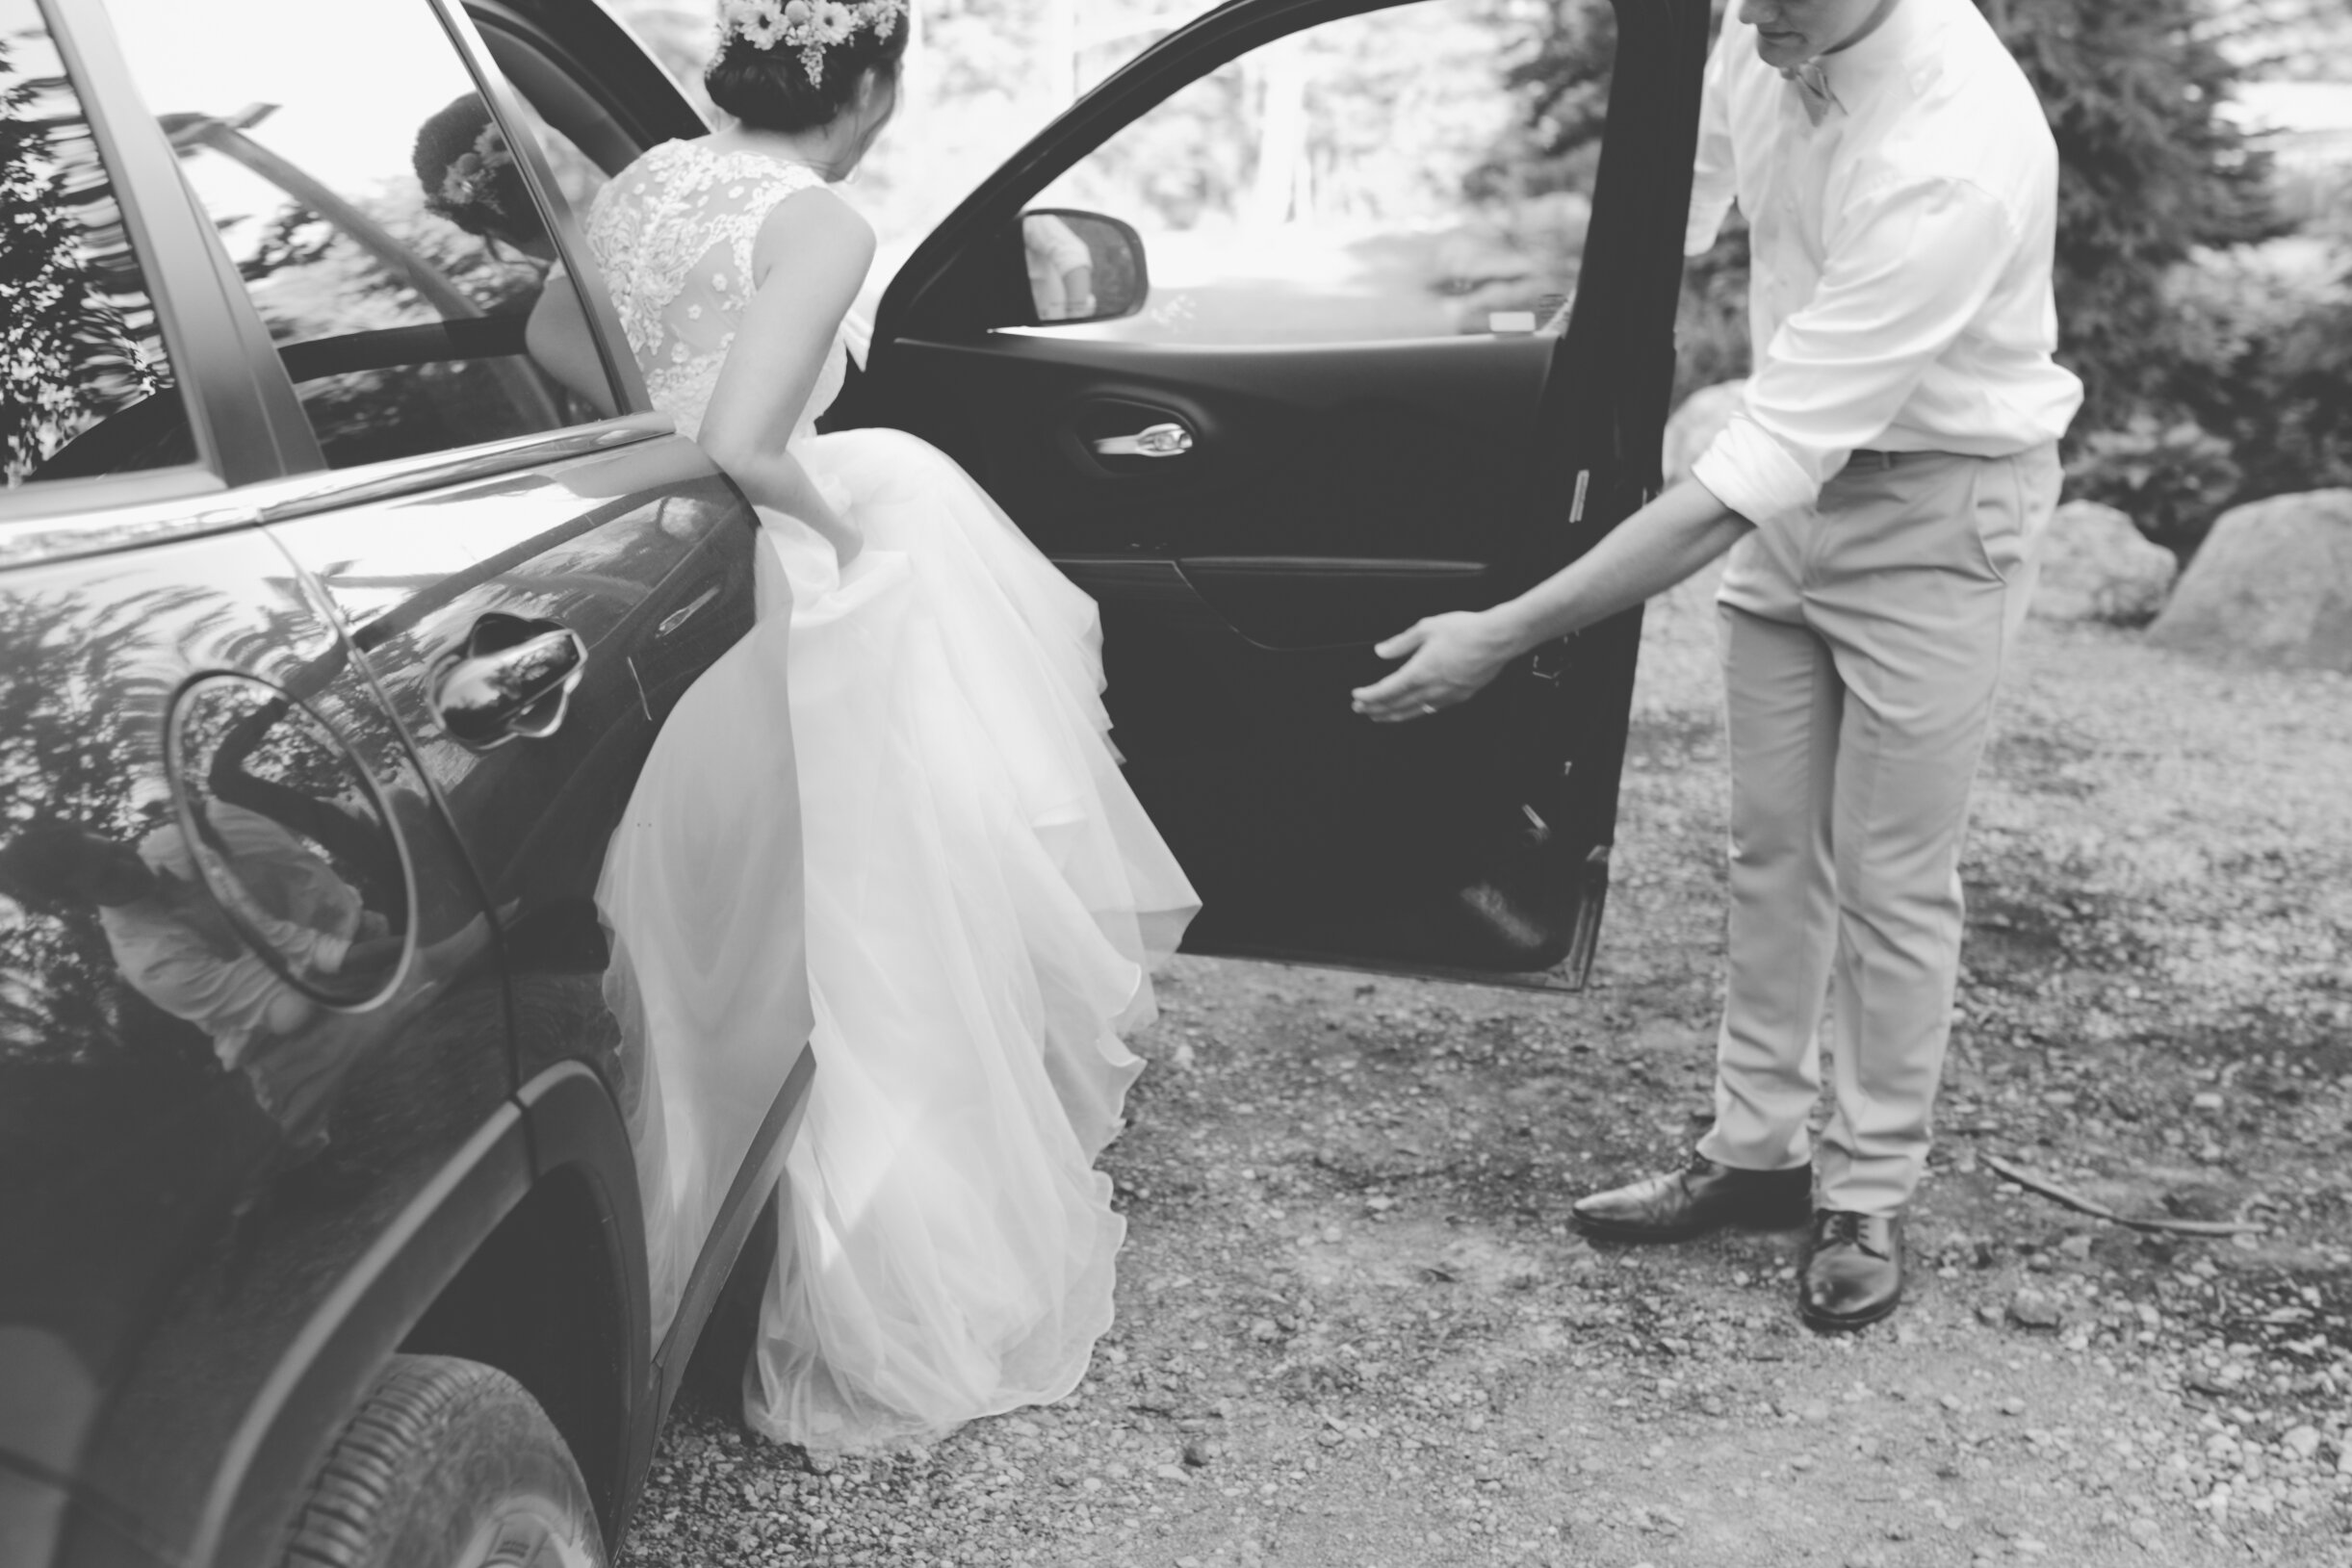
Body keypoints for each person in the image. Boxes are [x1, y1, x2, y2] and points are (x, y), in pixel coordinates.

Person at [1352, 0, 2081, 1331]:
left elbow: (1747, 471)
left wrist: (1507, 633)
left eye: (1778, 2)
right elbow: (1681, 178)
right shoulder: (1769, 30)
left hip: (1939, 510)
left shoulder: (1955, 153)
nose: (1748, 18)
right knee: (1767, 850)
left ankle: (1866, 1186)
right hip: (1799, 490)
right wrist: (1601, 328)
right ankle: (1756, 1148)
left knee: (1893, 877)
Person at [558, 0, 1198, 1452]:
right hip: (762, 584)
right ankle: (850, 1273)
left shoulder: (644, 181)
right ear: (865, 84)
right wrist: (844, 530)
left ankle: (675, 1243)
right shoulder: (819, 222)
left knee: (703, 926)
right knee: (860, 926)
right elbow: (744, 445)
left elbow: (555, 335)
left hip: (639, 572)